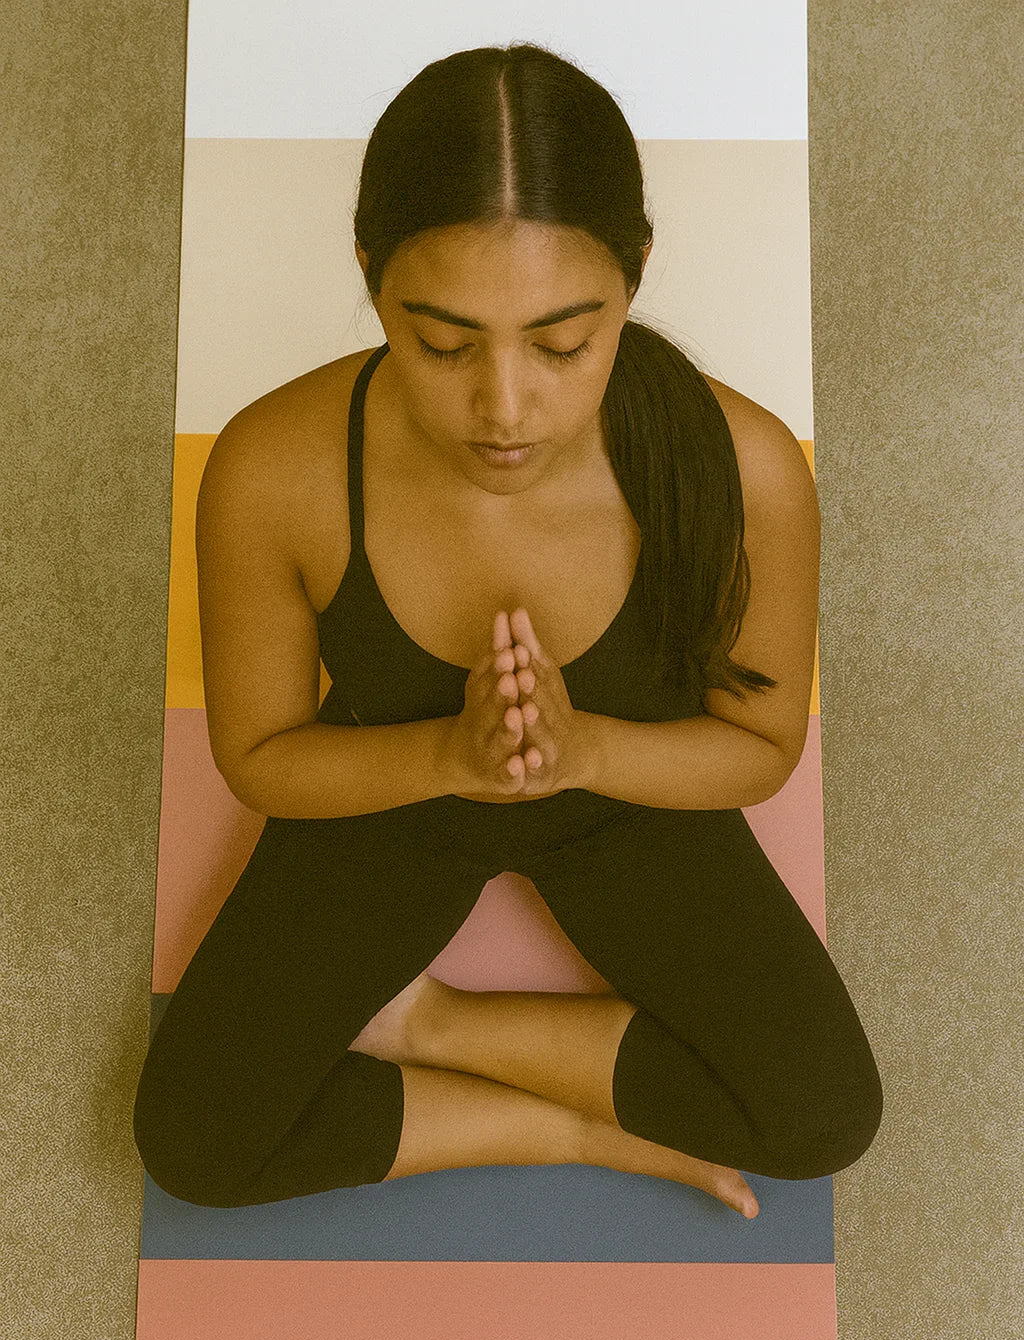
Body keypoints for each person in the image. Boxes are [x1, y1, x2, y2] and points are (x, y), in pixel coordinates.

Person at [132, 42, 883, 1220]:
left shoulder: (744, 470)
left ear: (634, 275)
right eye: (441, 342)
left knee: (824, 1117)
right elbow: (265, 756)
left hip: (625, 784)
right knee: (194, 1143)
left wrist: (579, 756)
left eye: (562, 341)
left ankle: (429, 1020)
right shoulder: (273, 468)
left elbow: (757, 743)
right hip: (396, 783)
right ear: (371, 278)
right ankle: (573, 1130)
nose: (503, 405)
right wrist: (452, 759)